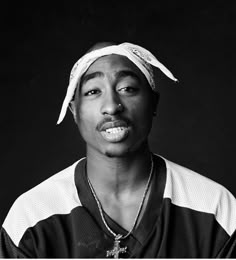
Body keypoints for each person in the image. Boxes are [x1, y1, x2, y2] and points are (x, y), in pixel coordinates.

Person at [0, 42, 235, 258]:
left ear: (154, 102)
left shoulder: (214, 208)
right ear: (75, 111)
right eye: (93, 91)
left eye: (127, 88)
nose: (112, 106)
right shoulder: (32, 216)